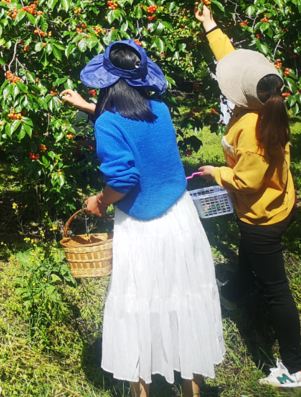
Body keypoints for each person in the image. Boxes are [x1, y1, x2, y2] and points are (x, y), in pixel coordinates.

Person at [61, 40, 224, 397]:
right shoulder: (160, 110)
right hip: (181, 218)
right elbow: (137, 127)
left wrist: (99, 201)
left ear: (105, 80)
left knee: (137, 304)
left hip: (142, 228)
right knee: (184, 300)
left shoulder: (108, 124)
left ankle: (143, 390)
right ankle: (192, 389)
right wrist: (88, 107)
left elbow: (123, 178)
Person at [195, 3, 301, 388]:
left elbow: (246, 182)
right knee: (251, 257)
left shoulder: (253, 131)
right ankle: (236, 295)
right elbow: (232, 63)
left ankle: (295, 367)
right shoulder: (266, 97)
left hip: (263, 217)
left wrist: (214, 171)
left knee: (276, 291)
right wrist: (211, 27)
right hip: (277, 204)